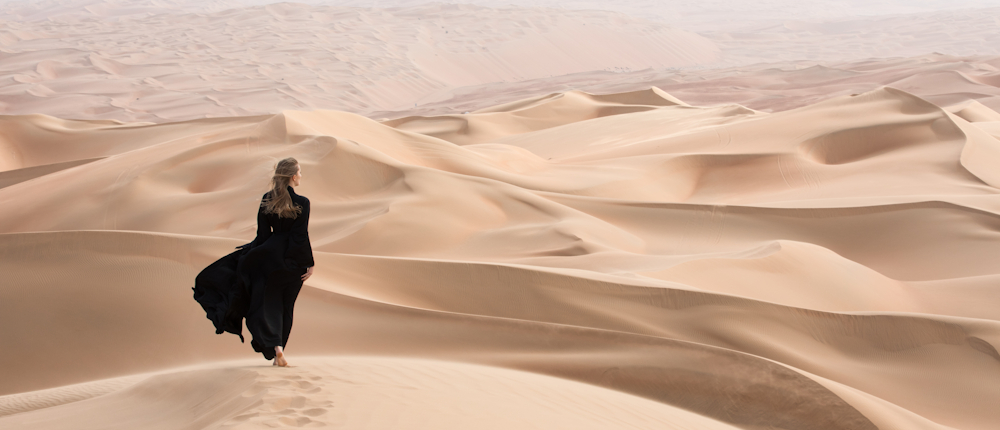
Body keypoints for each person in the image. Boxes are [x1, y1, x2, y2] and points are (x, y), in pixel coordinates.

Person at [193, 157, 314, 367]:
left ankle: (277, 348)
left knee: (268, 304)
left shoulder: (268, 199)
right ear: (293, 176)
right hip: (292, 262)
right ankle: (280, 350)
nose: (301, 176)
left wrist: (250, 254)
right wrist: (308, 263)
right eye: (300, 172)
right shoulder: (302, 202)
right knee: (286, 307)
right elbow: (300, 236)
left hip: (268, 258)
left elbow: (263, 235)